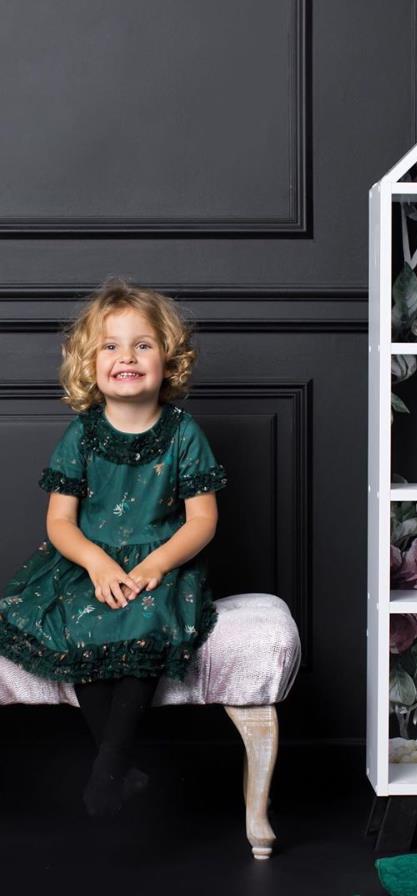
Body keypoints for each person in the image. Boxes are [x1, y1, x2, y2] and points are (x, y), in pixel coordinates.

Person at [0, 278, 228, 817]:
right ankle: (118, 770)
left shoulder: (184, 433)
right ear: (91, 363)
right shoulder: (81, 434)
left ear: (168, 360)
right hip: (88, 560)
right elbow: (60, 521)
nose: (126, 356)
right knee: (83, 623)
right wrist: (97, 563)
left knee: (145, 621)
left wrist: (157, 564)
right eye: (111, 346)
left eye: (142, 345)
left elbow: (202, 520)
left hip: (160, 563)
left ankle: (107, 774)